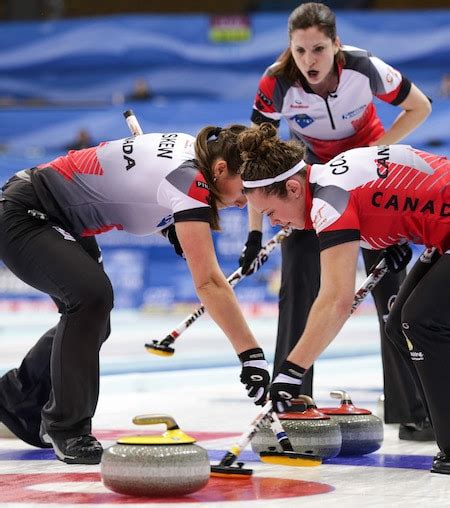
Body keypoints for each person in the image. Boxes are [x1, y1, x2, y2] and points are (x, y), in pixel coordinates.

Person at [0, 125, 271, 464]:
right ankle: (67, 428)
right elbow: (210, 284)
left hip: (59, 215)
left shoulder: (194, 151)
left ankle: (16, 398)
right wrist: (251, 354)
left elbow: (140, 188)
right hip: (26, 214)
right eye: (244, 189)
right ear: (219, 170)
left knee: (95, 318)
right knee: (91, 298)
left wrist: (168, 224)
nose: (245, 200)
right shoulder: (191, 182)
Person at [239, 1, 432, 439]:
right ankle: (292, 400)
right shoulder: (276, 82)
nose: (309, 60)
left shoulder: (365, 68)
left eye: (319, 49)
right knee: (299, 289)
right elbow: (255, 164)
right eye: (301, 50)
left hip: (366, 183)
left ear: (336, 45)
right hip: (304, 186)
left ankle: (414, 410)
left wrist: (372, 152)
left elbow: (420, 107)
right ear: (290, 48)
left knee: (391, 291)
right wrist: (254, 233)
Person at [238, 122, 450, 475]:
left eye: (271, 213)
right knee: (399, 323)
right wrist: (390, 238)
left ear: (292, 187)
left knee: (419, 320)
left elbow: (335, 300)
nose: (275, 224)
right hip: (440, 235)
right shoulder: (331, 175)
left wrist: (291, 372)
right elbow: (394, 188)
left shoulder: (327, 201)